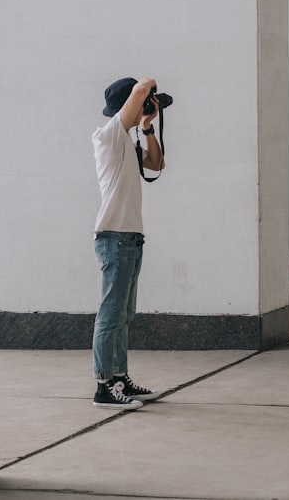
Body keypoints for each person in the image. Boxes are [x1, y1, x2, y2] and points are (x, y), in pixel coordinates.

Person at [91, 76, 165, 409]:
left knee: (123, 314)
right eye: (145, 105)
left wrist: (148, 126)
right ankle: (104, 386)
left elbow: (156, 163)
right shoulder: (108, 136)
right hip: (114, 236)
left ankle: (119, 378)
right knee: (110, 314)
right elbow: (141, 87)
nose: (147, 107)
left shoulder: (128, 141)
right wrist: (147, 91)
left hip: (131, 237)